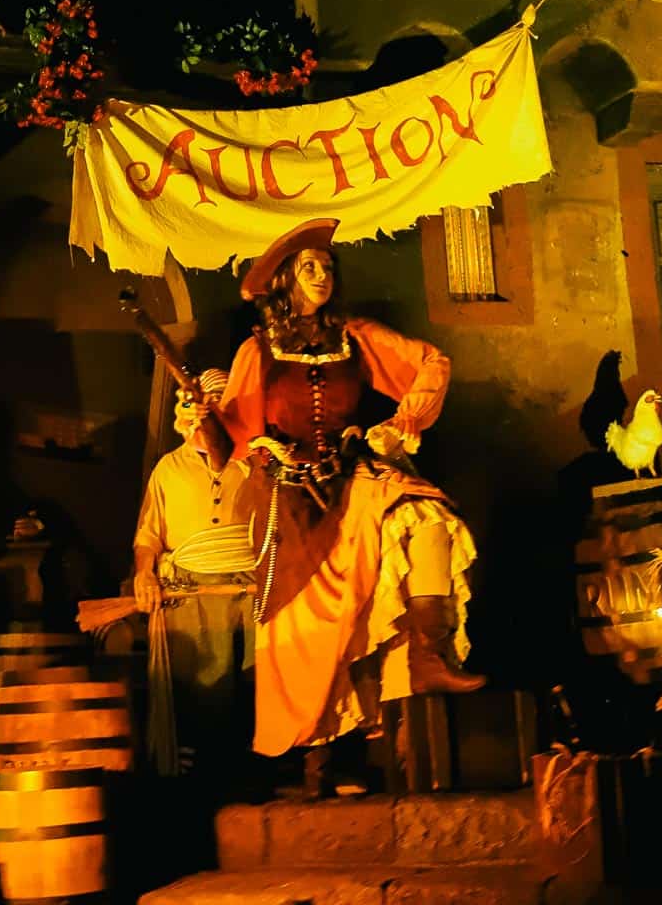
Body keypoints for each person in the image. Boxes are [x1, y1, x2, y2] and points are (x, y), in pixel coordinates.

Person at [202, 218, 484, 794]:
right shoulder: (257, 351)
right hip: (288, 498)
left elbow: (432, 363)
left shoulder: (356, 337)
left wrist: (398, 427)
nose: (321, 274)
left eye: (328, 266)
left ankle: (429, 652)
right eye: (308, 267)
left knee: (425, 513)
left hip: (351, 474)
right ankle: (318, 764)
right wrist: (198, 420)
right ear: (284, 280)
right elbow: (227, 438)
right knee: (309, 629)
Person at [132, 370, 255, 774]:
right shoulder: (169, 468)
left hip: (251, 590)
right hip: (193, 592)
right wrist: (145, 574)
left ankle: (255, 775)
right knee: (206, 689)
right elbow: (148, 534)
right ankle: (203, 782)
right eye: (204, 404)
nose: (209, 412)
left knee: (255, 685)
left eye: (220, 403)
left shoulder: (252, 463)